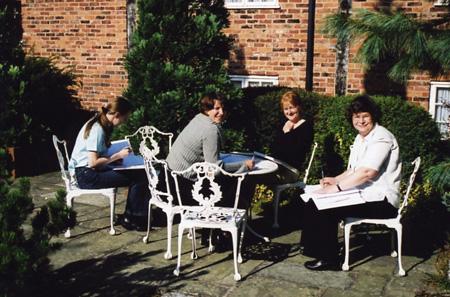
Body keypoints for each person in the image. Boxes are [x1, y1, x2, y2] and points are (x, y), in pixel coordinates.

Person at [300, 95, 402, 271]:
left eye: (365, 116)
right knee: (312, 200)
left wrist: (337, 189)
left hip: (381, 201)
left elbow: (368, 173)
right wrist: (335, 180)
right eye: (356, 117)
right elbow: (354, 169)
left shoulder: (382, 137)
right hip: (365, 194)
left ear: (373, 116)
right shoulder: (361, 137)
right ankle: (313, 249)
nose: (361, 121)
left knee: (324, 206)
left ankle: (329, 258)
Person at [69, 96, 150, 231]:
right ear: (117, 115)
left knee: (138, 174)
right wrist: (117, 156)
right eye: (125, 118)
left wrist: (112, 158)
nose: (124, 122)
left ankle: (132, 216)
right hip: (85, 176)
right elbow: (93, 162)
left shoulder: (99, 122)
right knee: (139, 177)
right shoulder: (97, 130)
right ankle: (133, 218)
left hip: (86, 171)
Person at [271, 90, 314, 182]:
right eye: (286, 109)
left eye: (292, 108)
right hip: (277, 165)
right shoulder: (283, 124)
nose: (289, 112)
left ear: (299, 107)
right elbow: (274, 148)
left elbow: (295, 152)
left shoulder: (306, 126)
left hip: (291, 169)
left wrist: (287, 133)